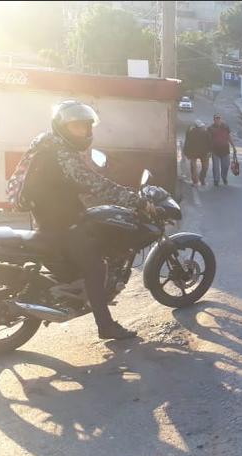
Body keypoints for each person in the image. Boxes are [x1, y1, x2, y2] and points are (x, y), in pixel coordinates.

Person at [22, 100, 156, 340]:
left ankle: (75, 290)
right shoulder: (61, 153)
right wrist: (134, 199)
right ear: (62, 126)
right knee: (97, 268)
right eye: (77, 127)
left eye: (86, 126)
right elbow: (93, 183)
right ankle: (105, 326)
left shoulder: (49, 144)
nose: (84, 132)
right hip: (60, 221)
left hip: (51, 214)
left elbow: (78, 182)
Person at [206, 113, 237, 186]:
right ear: (214, 120)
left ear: (221, 119)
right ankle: (216, 180)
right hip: (215, 150)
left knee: (225, 166)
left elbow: (229, 137)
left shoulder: (225, 127)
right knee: (216, 167)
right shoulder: (210, 128)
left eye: (219, 118)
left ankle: (224, 177)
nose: (218, 120)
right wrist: (208, 150)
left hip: (225, 150)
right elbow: (208, 140)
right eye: (216, 118)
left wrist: (233, 147)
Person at [182, 119, 212, 186]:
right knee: (205, 167)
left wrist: (186, 152)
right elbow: (210, 142)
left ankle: (195, 181)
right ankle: (202, 180)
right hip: (204, 153)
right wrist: (210, 151)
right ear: (200, 126)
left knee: (193, 167)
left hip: (194, 153)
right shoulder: (205, 132)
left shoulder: (191, 132)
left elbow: (187, 142)